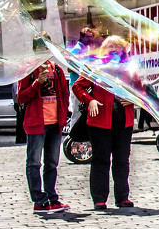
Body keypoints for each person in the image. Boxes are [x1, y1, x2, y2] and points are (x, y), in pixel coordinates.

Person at [72, 35, 136, 211]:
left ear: (123, 49)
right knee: (101, 160)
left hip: (124, 121)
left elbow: (140, 91)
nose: (114, 49)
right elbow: (77, 86)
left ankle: (122, 197)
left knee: (122, 160)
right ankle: (99, 199)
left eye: (117, 46)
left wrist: (133, 100)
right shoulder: (96, 67)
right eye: (110, 46)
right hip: (100, 121)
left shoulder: (128, 68)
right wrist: (89, 100)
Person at [17, 60, 70, 212]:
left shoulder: (57, 70)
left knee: (52, 163)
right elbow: (21, 97)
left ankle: (52, 198)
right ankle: (39, 200)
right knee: (34, 162)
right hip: (36, 123)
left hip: (55, 122)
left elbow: (64, 95)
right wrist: (37, 83)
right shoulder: (27, 69)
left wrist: (63, 115)